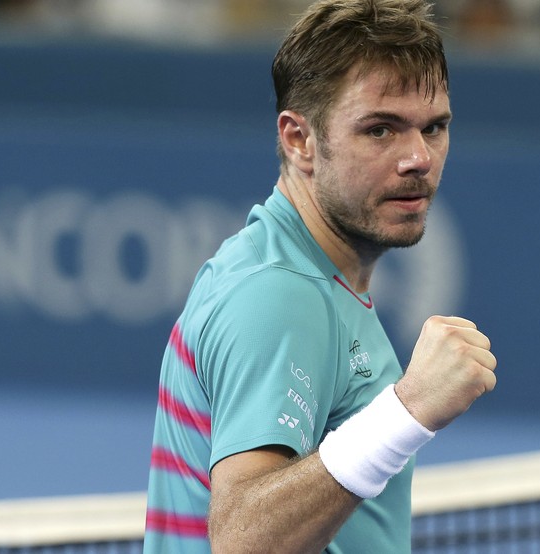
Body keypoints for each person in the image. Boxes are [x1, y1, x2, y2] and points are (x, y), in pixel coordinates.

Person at [143, 0, 497, 551]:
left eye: (435, 127)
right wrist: (407, 411)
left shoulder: (310, 276)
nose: (418, 157)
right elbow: (243, 540)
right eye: (381, 130)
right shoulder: (279, 294)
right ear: (299, 140)